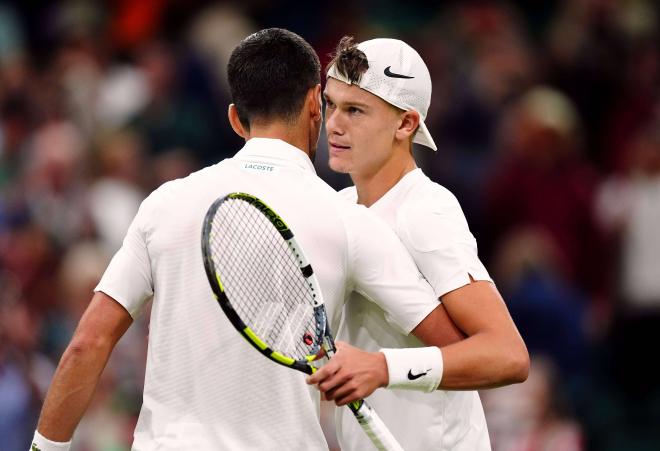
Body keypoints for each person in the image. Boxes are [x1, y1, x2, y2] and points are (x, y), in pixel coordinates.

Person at [30, 29, 464, 451]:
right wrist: (382, 367)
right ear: (316, 103)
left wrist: (44, 448)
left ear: (236, 118)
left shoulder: (165, 203)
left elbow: (89, 343)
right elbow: (458, 348)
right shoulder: (350, 221)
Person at [307, 37, 529, 450]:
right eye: (332, 104)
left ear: (406, 124)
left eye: (355, 110)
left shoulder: (427, 212)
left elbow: (508, 356)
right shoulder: (339, 206)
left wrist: (380, 367)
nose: (334, 124)